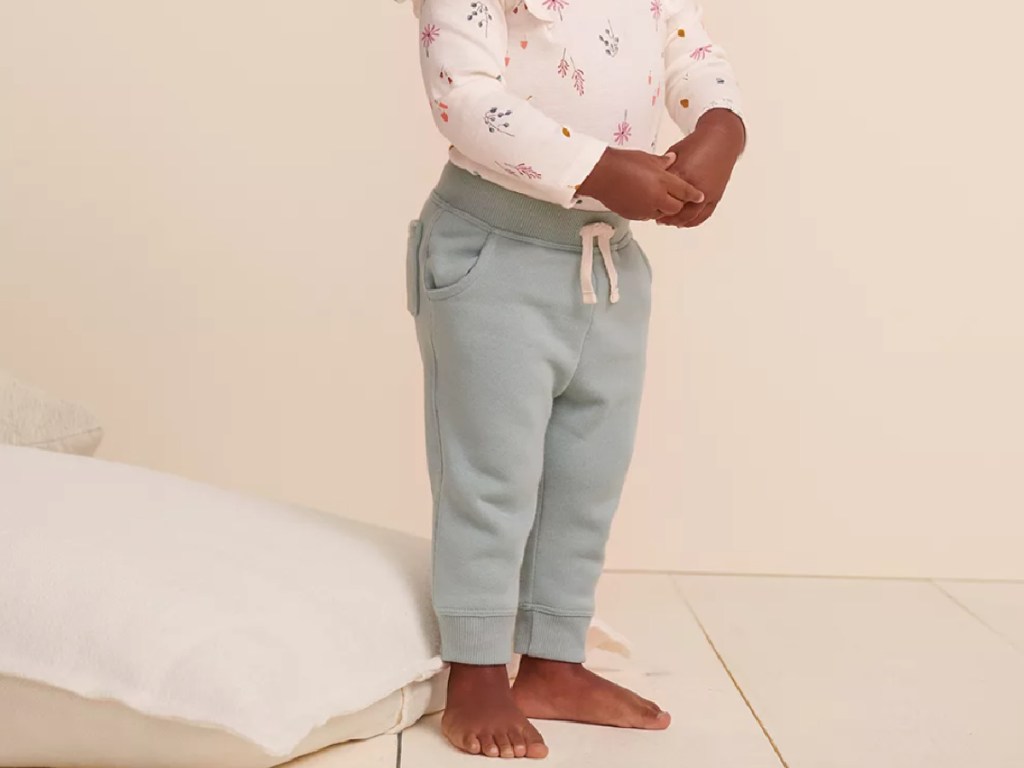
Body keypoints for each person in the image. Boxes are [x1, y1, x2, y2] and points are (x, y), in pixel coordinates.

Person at [402, 0, 745, 758]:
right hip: (495, 252)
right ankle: (478, 668)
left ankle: (555, 661)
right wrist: (591, 166)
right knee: (491, 475)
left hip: (609, 262)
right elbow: (462, 96)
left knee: (587, 477)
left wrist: (721, 126)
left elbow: (691, 57)